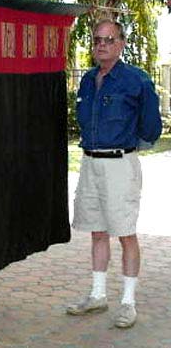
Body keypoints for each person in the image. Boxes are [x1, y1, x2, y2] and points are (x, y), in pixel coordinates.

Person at [66, 19, 162, 328]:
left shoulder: (137, 81)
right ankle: (97, 295)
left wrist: (129, 147)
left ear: (121, 44)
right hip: (90, 163)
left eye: (109, 39)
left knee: (125, 233)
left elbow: (151, 128)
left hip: (120, 164)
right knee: (97, 231)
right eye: (97, 40)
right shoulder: (88, 80)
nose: (101, 44)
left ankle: (128, 303)